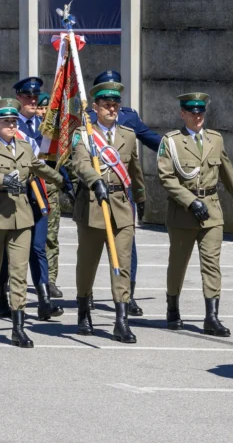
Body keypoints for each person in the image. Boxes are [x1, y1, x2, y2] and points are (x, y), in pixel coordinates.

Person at [0, 98, 63, 347]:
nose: (11, 125)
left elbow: (37, 167)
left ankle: (18, 328)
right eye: (6, 121)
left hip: (21, 217)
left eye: (14, 121)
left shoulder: (25, 147)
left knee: (19, 273)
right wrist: (0, 179)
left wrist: (62, 180)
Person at [157, 92, 233, 336]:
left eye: (201, 112)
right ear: (183, 114)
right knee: (178, 264)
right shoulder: (171, 142)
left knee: (212, 264)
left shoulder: (215, 139)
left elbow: (228, 173)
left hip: (211, 209)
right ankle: (172, 309)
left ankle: (211, 317)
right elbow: (166, 178)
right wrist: (190, 202)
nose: (197, 116)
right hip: (182, 212)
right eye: (192, 112)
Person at [71, 80, 145, 343]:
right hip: (93, 204)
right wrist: (95, 180)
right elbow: (79, 163)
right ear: (95, 107)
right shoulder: (84, 134)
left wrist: (141, 196)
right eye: (106, 105)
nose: (111, 108)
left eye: (115, 104)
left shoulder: (128, 135)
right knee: (87, 264)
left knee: (122, 263)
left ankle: (121, 321)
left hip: (121, 207)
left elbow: (134, 169)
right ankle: (83, 312)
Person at [87, 70, 163, 314]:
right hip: (93, 194)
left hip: (121, 194)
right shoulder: (85, 121)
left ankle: (127, 295)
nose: (112, 102)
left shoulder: (128, 118)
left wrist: (177, 149)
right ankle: (85, 293)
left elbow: (150, 143)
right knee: (92, 247)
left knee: (127, 247)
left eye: (116, 92)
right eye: (106, 92)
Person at [0, 76, 69, 320]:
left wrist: (65, 181)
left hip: (39, 194)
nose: (32, 100)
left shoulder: (45, 125)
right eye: (27, 96)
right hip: (15, 195)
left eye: (35, 96)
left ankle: (44, 301)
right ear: (18, 97)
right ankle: (0, 297)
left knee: (38, 248)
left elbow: (52, 159)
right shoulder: (9, 124)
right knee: (8, 251)